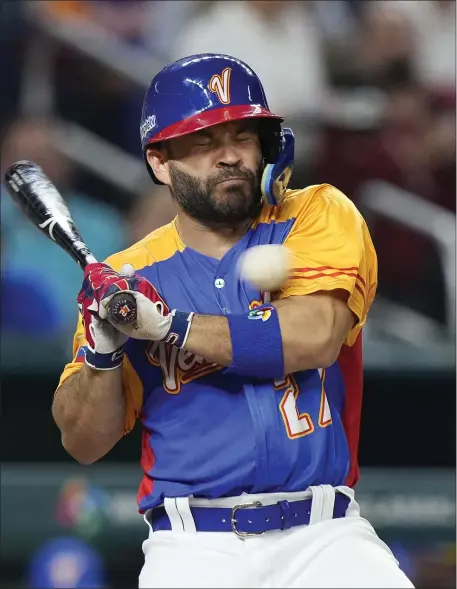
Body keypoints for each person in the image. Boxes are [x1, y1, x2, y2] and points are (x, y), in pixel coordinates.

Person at [53, 53, 414, 588]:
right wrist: (103, 349)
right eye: (203, 142)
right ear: (160, 162)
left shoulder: (315, 213)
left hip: (326, 536)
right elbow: (82, 440)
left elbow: (314, 336)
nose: (229, 156)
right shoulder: (129, 277)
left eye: (242, 137)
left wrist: (169, 326)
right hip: (194, 546)